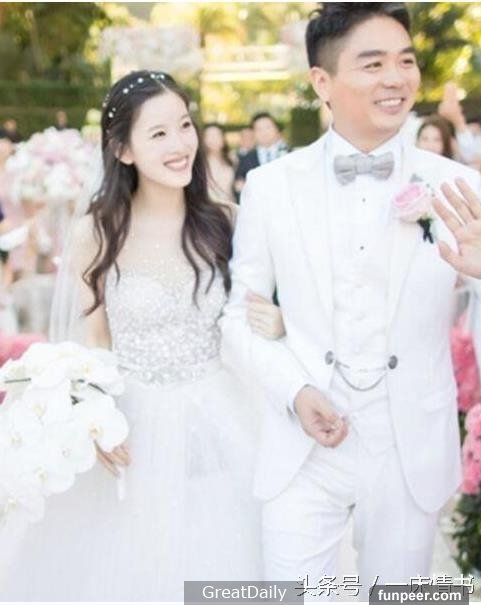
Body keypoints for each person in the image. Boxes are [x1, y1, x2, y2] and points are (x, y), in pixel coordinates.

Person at [220, 3, 481, 598]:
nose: (396, 78)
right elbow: (238, 315)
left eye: (406, 62)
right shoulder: (271, 186)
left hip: (409, 441)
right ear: (323, 81)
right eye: (373, 64)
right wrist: (295, 390)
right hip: (301, 443)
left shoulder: (459, 185)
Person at [1, 70, 285, 601]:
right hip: (131, 423)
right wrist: (93, 416)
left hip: (222, 416)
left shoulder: (226, 221)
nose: (180, 144)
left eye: (184, 125)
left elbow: (256, 314)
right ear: (123, 150)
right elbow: (93, 341)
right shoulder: (96, 232)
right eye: (158, 133)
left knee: (223, 556)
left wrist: (276, 322)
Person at [234, 112, 288, 197]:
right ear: (253, 133)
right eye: (259, 129)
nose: (264, 132)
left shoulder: (290, 154)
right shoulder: (245, 159)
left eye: (268, 127)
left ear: (276, 129)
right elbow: (238, 184)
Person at [202, 122, 236, 204]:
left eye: (217, 135)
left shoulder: (233, 158)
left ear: (223, 138)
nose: (214, 139)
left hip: (231, 206)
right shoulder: (200, 162)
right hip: (209, 207)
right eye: (209, 136)